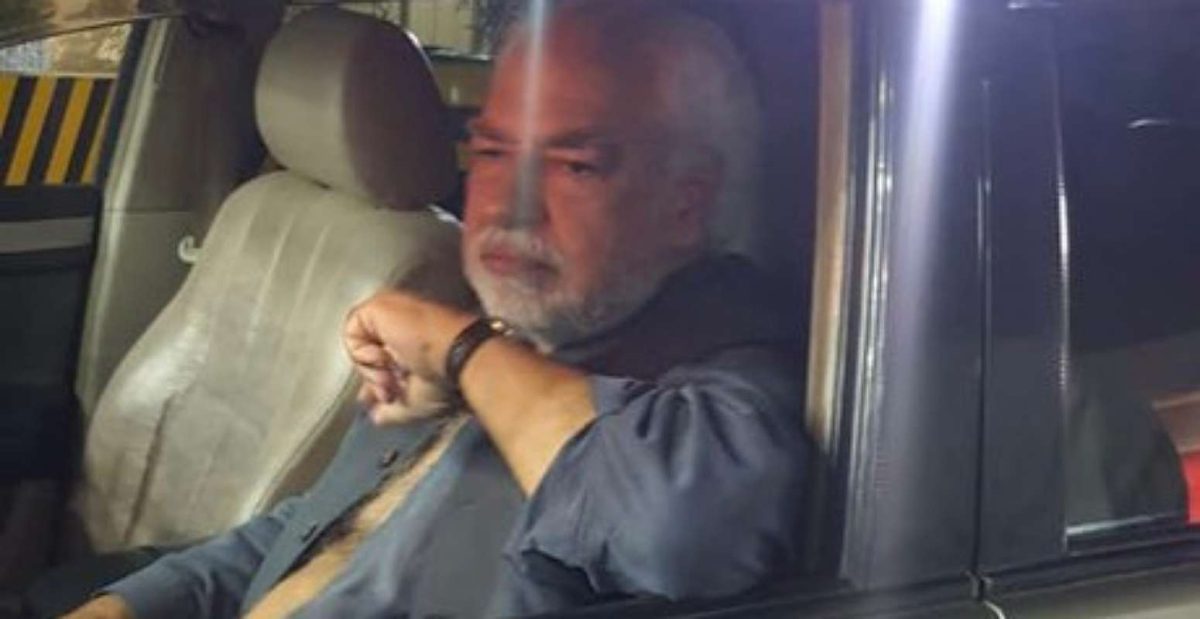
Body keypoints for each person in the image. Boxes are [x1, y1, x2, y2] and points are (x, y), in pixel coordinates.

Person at [64, 1, 810, 617]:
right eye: (492, 154)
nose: (509, 206)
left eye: (576, 165)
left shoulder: (726, 388)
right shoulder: (516, 337)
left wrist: (463, 351)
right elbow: (321, 530)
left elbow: (684, 533)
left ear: (684, 205)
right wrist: (129, 604)